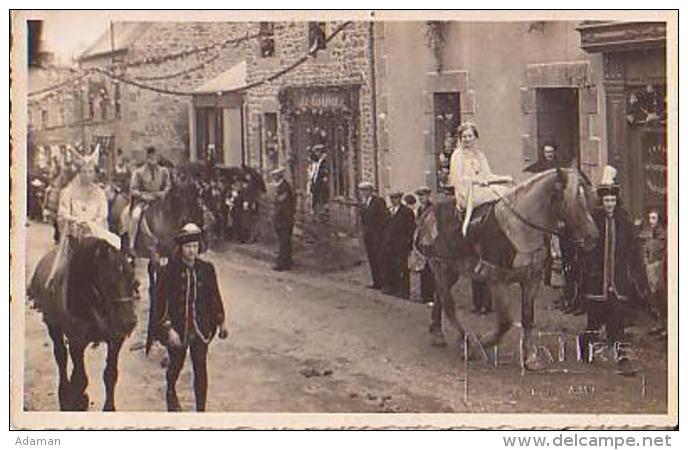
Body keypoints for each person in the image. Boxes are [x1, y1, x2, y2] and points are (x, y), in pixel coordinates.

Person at [579, 166, 649, 376]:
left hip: (617, 282)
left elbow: (633, 253)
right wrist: (589, 268)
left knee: (617, 318)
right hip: (596, 281)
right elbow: (585, 249)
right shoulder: (593, 223)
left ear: (617, 202)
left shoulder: (624, 224)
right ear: (602, 202)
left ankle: (623, 358)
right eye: (606, 201)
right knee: (594, 321)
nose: (609, 204)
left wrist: (636, 277)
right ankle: (586, 344)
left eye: (612, 201)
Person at [152, 223, 228, 412]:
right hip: (178, 329)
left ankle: (200, 410)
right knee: (176, 364)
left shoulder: (207, 269)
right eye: (188, 247)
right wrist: (168, 329)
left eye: (195, 246)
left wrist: (221, 321)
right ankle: (170, 390)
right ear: (181, 248)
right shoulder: (169, 271)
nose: (192, 251)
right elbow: (161, 302)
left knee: (200, 367)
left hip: (201, 329)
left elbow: (214, 297)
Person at [449, 122, 514, 237]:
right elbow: (457, 178)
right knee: (498, 193)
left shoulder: (479, 155)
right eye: (464, 136)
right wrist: (476, 181)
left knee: (508, 192)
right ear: (460, 138)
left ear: (475, 137)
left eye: (470, 136)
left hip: (482, 190)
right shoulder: (457, 155)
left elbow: (488, 176)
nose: (467, 139)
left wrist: (504, 178)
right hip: (466, 193)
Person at [128, 146, 172, 251]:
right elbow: (133, 189)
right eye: (151, 157)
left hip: (159, 201)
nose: (153, 160)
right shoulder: (138, 172)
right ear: (147, 158)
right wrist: (144, 195)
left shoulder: (164, 171)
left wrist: (163, 193)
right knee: (135, 216)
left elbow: (168, 186)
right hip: (143, 202)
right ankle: (131, 244)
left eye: (155, 157)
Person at [638, 209, 668, 337]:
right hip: (650, 267)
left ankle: (667, 326)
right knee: (654, 295)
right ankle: (660, 323)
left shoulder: (664, 234)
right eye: (650, 218)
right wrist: (646, 260)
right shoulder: (648, 233)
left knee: (662, 295)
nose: (651, 221)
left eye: (654, 218)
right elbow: (646, 249)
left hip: (659, 267)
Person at [382, 190, 416, 298]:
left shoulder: (406, 212)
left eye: (395, 198)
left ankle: (404, 291)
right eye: (391, 198)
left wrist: (407, 242)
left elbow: (410, 228)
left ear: (400, 198)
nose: (393, 200)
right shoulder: (389, 211)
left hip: (401, 244)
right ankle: (393, 287)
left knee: (402, 267)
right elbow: (386, 228)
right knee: (392, 265)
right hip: (390, 244)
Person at [358, 181, 389, 290]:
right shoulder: (363, 203)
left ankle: (384, 282)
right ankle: (376, 282)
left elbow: (384, 219)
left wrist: (382, 234)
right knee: (372, 258)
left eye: (365, 190)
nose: (363, 192)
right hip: (368, 235)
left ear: (371, 191)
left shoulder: (378, 202)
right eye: (361, 190)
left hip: (378, 235)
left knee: (380, 258)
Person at [271, 167, 296, 271]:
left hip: (284, 220)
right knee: (283, 242)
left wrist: (279, 219)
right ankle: (286, 262)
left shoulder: (284, 187)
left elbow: (282, 206)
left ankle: (283, 263)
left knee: (284, 242)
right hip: (281, 219)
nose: (274, 178)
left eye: (276, 176)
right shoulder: (281, 187)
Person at [415, 186, 435, 304]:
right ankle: (424, 295)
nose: (421, 198)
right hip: (422, 242)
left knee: (431, 269)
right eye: (420, 196)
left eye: (423, 196)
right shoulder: (419, 210)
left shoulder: (432, 209)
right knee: (423, 269)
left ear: (428, 196)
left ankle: (431, 296)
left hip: (430, 242)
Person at [308, 144, 330, 217]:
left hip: (321, 184)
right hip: (317, 183)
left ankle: (322, 213)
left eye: (317, 152)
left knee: (322, 199)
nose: (316, 154)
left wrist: (324, 179)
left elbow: (325, 172)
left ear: (320, 152)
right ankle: (317, 214)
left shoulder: (324, 161)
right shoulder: (318, 162)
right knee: (316, 199)